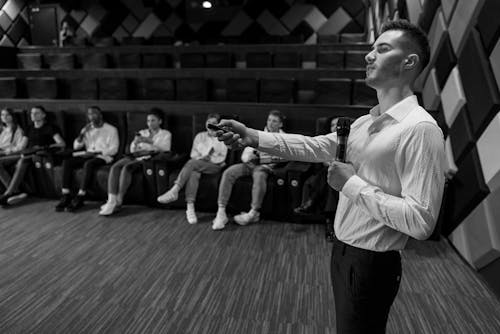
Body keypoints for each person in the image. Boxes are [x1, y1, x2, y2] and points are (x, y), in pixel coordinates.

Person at [214, 20, 446, 333]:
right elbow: (314, 146)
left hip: (372, 263)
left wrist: (350, 184)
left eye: (382, 48)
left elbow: (421, 221)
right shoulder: (367, 122)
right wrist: (253, 136)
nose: (368, 56)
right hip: (343, 252)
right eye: (370, 48)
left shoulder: (420, 129)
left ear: (409, 62)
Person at [211, 110, 286, 230]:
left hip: (263, 167)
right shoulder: (258, 133)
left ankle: (254, 212)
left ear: (280, 124)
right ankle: (221, 211)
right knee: (228, 172)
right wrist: (250, 157)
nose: (271, 123)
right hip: (249, 164)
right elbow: (245, 154)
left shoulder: (284, 138)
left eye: (274, 121)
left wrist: (262, 158)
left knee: (259, 176)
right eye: (269, 120)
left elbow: (281, 158)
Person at [157, 113, 227, 224]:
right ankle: (190, 208)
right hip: (198, 163)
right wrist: (201, 157)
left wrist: (208, 158)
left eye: (214, 123)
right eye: (209, 123)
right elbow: (193, 154)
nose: (211, 125)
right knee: (193, 172)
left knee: (192, 164)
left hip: (214, 166)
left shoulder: (221, 137)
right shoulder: (199, 136)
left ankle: (175, 189)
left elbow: (222, 158)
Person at [99, 108, 171, 216]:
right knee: (115, 167)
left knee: (126, 169)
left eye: (153, 120)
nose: (150, 123)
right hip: (135, 155)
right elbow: (132, 149)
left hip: (148, 158)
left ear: (160, 121)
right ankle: (111, 200)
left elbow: (165, 148)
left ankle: (119, 200)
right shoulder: (142, 132)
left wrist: (149, 141)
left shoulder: (165, 134)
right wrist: (135, 143)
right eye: (148, 121)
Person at [55, 106, 119, 212]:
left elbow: (114, 149)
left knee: (89, 164)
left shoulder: (111, 129)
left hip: (103, 156)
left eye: (94, 114)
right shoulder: (87, 129)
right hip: (87, 154)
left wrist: (96, 153)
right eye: (89, 114)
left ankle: (81, 195)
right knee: (67, 162)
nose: (91, 116)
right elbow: (76, 147)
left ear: (100, 115)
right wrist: (82, 134)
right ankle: (66, 194)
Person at [0, 106, 65, 206]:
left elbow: (61, 144)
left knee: (23, 160)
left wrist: (45, 146)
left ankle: (8, 193)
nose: (33, 115)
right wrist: (9, 152)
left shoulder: (51, 127)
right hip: (27, 153)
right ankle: (16, 191)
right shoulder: (29, 128)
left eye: (36, 113)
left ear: (43, 115)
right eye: (32, 113)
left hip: (39, 154)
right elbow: (22, 145)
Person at [293, 117, 339, 215]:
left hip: (343, 170)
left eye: (337, 124)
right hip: (328, 169)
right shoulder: (327, 140)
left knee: (328, 175)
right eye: (332, 125)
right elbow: (323, 159)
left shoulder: (348, 140)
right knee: (327, 175)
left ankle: (310, 202)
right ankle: (327, 217)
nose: (335, 127)